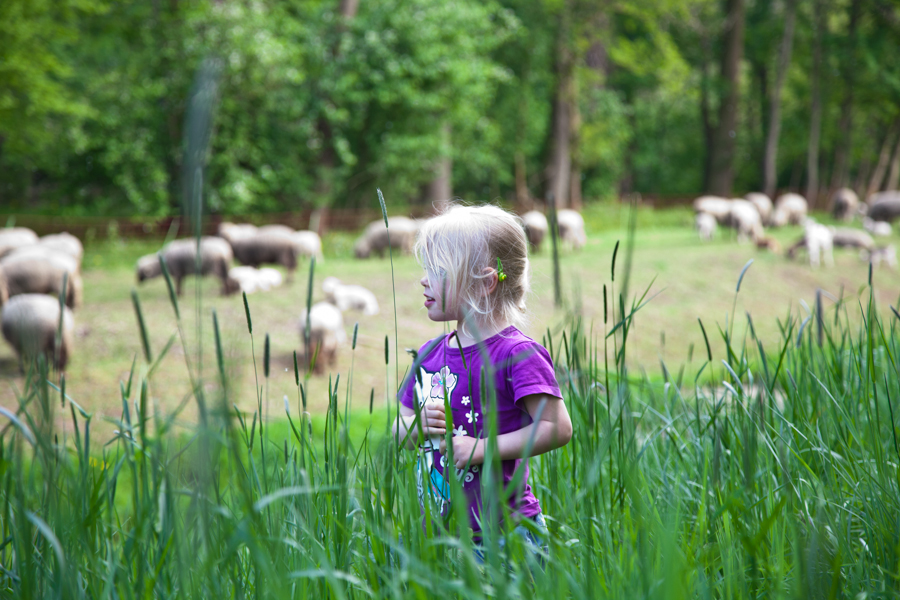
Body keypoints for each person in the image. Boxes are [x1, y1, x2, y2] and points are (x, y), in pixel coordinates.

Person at [394, 203, 573, 565]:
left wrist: (482, 448)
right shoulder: (430, 355)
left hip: (505, 535)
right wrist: (415, 427)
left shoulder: (518, 355)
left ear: (486, 282)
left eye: (439, 270)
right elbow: (397, 428)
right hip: (439, 535)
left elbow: (557, 428)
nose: (424, 279)